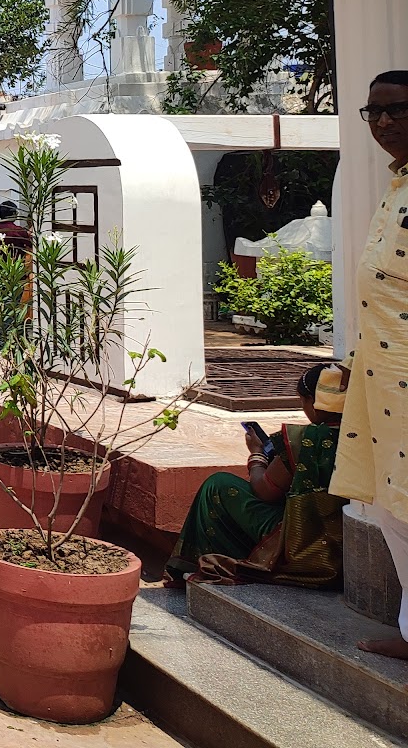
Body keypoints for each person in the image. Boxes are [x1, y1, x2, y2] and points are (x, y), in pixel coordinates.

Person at [331, 69, 408, 658]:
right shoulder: (396, 186)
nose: (383, 123)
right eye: (373, 113)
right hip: (381, 376)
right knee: (390, 500)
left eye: (397, 110)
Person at [167, 364, 344, 585]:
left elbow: (264, 490)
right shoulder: (363, 435)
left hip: (302, 538)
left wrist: (257, 455)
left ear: (314, 403)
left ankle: (197, 564)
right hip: (344, 535)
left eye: (303, 401)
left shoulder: (304, 440)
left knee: (218, 485)